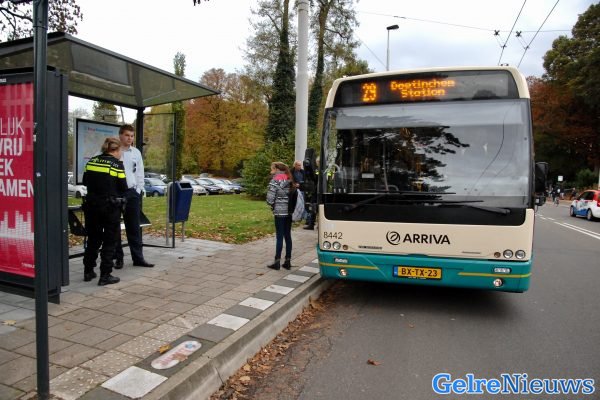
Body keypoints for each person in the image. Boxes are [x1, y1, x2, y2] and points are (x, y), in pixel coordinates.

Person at [82, 137, 127, 286]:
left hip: (91, 206)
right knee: (109, 240)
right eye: (121, 151)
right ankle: (105, 275)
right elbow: (123, 187)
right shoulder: (116, 165)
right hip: (110, 207)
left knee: (93, 239)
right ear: (116, 150)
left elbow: (85, 181)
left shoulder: (92, 161)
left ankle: (88, 271)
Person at [114, 124, 155, 268]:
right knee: (114, 227)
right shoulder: (113, 150)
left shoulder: (136, 152)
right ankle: (118, 259)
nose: (129, 138)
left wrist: (138, 190)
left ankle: (138, 258)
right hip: (115, 193)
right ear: (120, 135)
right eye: (127, 135)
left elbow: (140, 172)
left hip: (132, 193)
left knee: (134, 227)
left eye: (132, 136)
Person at [266, 162, 294, 270]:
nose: (271, 171)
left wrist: (274, 203)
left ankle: (277, 262)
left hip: (279, 213)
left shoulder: (274, 182)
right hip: (289, 212)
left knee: (279, 237)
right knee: (288, 236)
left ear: (277, 169)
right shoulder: (290, 180)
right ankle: (288, 261)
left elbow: (269, 200)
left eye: (272, 169)